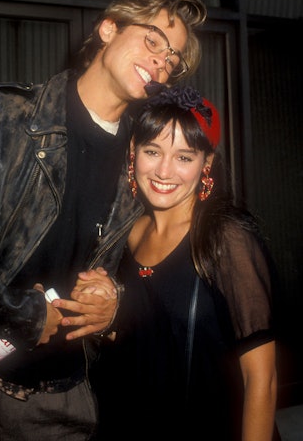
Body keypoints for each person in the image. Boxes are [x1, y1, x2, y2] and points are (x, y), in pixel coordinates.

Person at [0, 0, 207, 440]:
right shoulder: (0, 113)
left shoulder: (147, 161)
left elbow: (145, 269)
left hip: (63, 399)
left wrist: (116, 301)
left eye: (173, 59)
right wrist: (17, 312)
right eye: (153, 41)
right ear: (109, 28)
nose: (163, 62)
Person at [71, 85, 280, 440]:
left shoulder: (225, 237)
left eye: (184, 157)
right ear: (133, 154)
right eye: (153, 151)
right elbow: (145, 334)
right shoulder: (125, 233)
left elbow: (262, 378)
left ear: (206, 164)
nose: (164, 171)